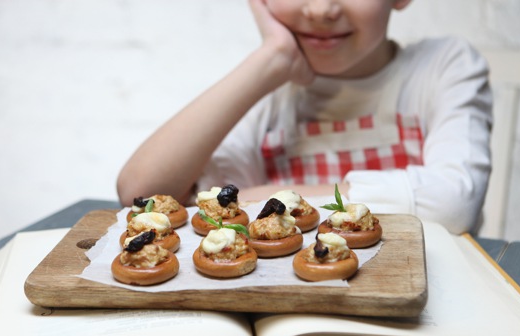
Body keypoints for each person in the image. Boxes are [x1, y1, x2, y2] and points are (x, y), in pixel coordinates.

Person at [117, 0, 492, 235]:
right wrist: (273, 58)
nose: (320, 9)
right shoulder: (268, 92)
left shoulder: (443, 66)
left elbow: (452, 205)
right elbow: (145, 193)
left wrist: (269, 198)